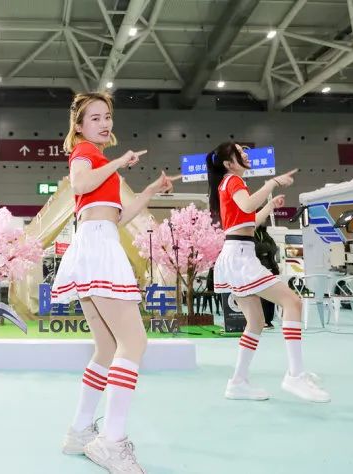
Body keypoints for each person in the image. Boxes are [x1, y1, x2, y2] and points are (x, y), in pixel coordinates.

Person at [54, 91, 178, 474]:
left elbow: (118, 218)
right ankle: (111, 441)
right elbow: (78, 184)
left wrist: (150, 192)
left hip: (97, 242)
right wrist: (119, 162)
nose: (104, 123)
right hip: (98, 248)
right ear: (78, 126)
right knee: (134, 342)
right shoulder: (85, 153)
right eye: (95, 118)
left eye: (107, 116)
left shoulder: (100, 163)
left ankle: (79, 431)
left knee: (108, 347)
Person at [208, 142, 330, 403]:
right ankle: (295, 375)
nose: (245, 153)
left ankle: (237, 382)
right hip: (240, 256)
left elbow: (249, 219)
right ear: (229, 163)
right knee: (293, 302)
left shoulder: (227, 183)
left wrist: (270, 205)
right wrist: (271, 183)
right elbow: (247, 205)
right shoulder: (233, 181)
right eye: (239, 152)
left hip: (237, 252)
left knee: (255, 322)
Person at [253, 225, 280, 329]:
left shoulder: (264, 234)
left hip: (270, 268)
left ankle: (268, 320)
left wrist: (265, 249)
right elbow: (255, 249)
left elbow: (274, 248)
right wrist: (266, 248)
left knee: (270, 296)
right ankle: (262, 320)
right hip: (257, 269)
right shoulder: (251, 232)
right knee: (261, 296)